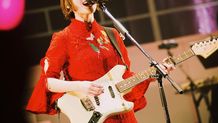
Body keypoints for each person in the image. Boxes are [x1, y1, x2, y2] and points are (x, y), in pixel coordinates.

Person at [26, 0, 174, 122]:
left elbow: (125, 77)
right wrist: (81, 86)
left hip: (123, 114)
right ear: (68, 3)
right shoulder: (63, 38)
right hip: (94, 115)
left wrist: (151, 74)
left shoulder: (112, 34)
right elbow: (49, 82)